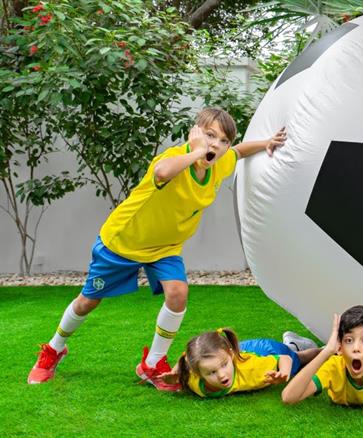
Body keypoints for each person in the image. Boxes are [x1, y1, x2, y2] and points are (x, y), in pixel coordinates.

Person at [27, 108, 287, 390]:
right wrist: (196, 152)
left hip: (165, 247)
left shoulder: (220, 163)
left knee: (178, 293)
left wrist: (266, 143)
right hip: (123, 242)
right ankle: (53, 349)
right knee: (87, 301)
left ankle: (152, 364)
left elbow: (238, 152)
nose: (216, 144)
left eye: (223, 140)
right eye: (210, 135)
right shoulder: (173, 159)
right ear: (195, 133)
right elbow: (162, 172)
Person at [161, 328, 320, 398]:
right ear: (198, 373)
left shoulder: (253, 369)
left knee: (299, 359)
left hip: (266, 350)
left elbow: (284, 359)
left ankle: (322, 349)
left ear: (230, 355)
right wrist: (176, 375)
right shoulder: (193, 377)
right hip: (237, 350)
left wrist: (284, 374)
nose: (221, 375)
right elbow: (186, 356)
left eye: (224, 365)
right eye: (212, 372)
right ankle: (292, 343)